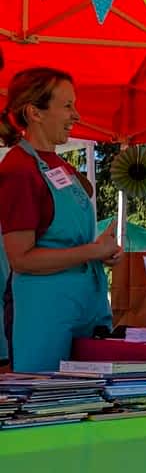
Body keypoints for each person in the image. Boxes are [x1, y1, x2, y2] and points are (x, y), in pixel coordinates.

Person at [0, 67, 122, 372]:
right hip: (43, 313)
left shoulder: (63, 167)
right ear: (35, 113)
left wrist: (101, 251)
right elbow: (21, 259)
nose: (76, 115)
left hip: (87, 308)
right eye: (67, 106)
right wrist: (92, 252)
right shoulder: (19, 170)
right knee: (44, 408)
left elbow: (69, 242)